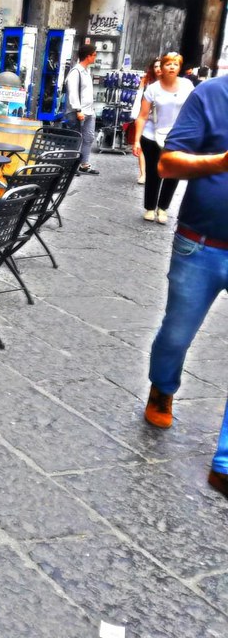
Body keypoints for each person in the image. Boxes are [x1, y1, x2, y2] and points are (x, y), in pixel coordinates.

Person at [142, 74, 228, 501]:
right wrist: (221, 161)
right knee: (177, 333)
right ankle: (163, 387)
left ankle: (225, 463)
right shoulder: (212, 95)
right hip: (202, 243)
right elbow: (168, 163)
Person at [133, 52, 194, 224]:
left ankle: (163, 208)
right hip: (152, 136)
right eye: (168, 64)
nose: (172, 67)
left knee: (173, 172)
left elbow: (194, 111)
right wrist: (137, 140)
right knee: (154, 172)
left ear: (179, 67)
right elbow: (143, 116)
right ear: (162, 67)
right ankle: (150, 208)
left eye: (175, 64)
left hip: (177, 137)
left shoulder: (188, 86)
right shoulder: (153, 88)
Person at [63, 42, 99, 175]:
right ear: (88, 56)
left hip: (89, 111)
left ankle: (84, 164)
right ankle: (70, 166)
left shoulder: (86, 71)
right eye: (94, 55)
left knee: (88, 138)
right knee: (76, 138)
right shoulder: (76, 72)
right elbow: (73, 93)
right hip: (78, 112)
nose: (95, 57)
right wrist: (78, 110)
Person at [129, 57, 162, 185]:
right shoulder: (147, 81)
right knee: (142, 147)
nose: (158, 69)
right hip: (146, 118)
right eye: (156, 66)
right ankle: (143, 174)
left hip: (161, 122)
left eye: (160, 66)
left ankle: (155, 171)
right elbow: (138, 99)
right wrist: (136, 115)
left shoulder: (169, 83)